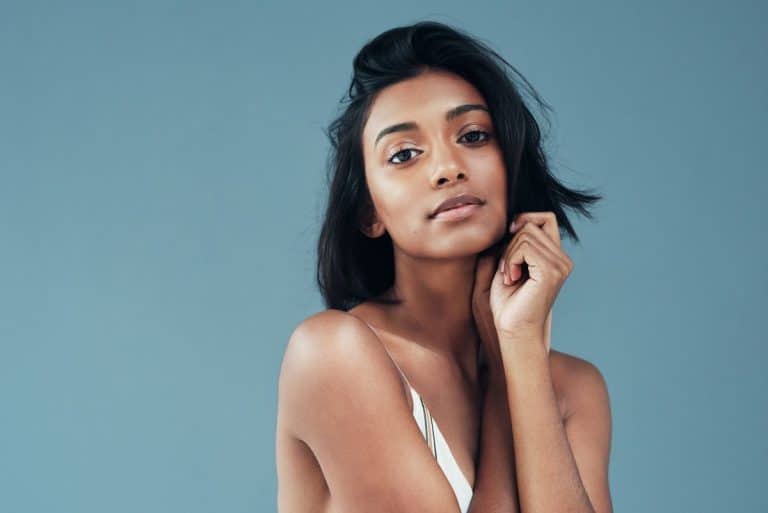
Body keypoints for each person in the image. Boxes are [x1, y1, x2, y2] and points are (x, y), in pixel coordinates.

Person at [276, 20, 613, 513]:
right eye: (405, 153)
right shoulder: (332, 354)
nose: (448, 168)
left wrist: (519, 349)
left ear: (509, 164)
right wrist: (504, 375)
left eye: (474, 135)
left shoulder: (573, 389)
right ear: (369, 213)